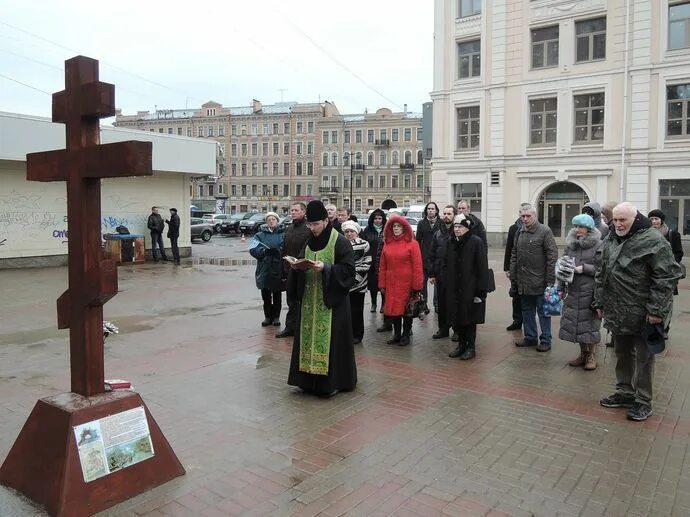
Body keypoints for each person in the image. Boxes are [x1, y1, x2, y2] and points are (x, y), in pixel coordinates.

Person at [594, 203, 682, 421]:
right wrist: (600, 301)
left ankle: (643, 401)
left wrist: (656, 311)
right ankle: (625, 392)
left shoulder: (653, 240)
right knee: (622, 353)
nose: (618, 224)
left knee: (644, 358)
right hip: (618, 311)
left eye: (622, 220)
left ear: (636, 218)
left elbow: (666, 277)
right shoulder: (612, 238)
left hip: (645, 313)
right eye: (615, 220)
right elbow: (602, 271)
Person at [287, 200, 357, 397]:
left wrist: (326, 268)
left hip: (331, 304)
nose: (313, 228)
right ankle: (306, 381)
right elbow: (302, 260)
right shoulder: (309, 241)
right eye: (310, 224)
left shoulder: (340, 241)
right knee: (306, 341)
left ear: (326, 221)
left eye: (316, 224)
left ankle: (332, 383)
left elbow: (349, 271)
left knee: (332, 344)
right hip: (310, 301)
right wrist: (296, 267)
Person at [556, 214, 602, 371]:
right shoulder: (571, 245)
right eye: (575, 226)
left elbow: (603, 270)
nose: (577, 230)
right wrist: (560, 288)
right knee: (577, 325)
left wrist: (584, 269)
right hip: (573, 290)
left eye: (580, 227)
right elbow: (563, 266)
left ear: (589, 229)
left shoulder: (598, 246)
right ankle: (583, 353)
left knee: (590, 325)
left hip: (590, 292)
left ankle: (592, 356)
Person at [510, 204, 558, 351]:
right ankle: (530, 337)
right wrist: (513, 276)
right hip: (523, 281)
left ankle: (545, 340)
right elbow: (514, 254)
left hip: (540, 281)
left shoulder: (545, 231)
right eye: (522, 216)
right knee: (526, 310)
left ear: (534, 215)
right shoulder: (520, 231)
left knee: (543, 312)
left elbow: (552, 256)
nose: (525, 219)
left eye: (528, 216)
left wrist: (549, 280)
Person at [444, 214, 489, 360]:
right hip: (454, 288)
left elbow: (482, 267)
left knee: (469, 319)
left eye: (460, 227)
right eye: (455, 226)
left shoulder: (476, 242)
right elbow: (445, 263)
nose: (456, 229)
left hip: (470, 288)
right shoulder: (451, 242)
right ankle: (461, 345)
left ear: (467, 228)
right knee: (457, 318)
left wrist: (480, 291)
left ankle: (470, 347)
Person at [378, 215, 424, 346]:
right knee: (394, 311)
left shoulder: (413, 244)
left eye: (399, 226)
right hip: (391, 283)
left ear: (404, 228)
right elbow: (383, 265)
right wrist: (382, 283)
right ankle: (397, 334)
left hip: (407, 284)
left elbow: (417, 266)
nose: (396, 228)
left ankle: (406, 335)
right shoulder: (387, 244)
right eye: (394, 226)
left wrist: (417, 286)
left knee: (407, 310)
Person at [276, 202, 311, 338]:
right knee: (291, 300)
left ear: (303, 212)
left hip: (303, 269)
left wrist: (299, 260)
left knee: (302, 299)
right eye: (292, 210)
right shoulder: (289, 228)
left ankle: (302, 327)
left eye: (296, 210)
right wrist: (284, 263)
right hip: (289, 268)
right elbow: (284, 247)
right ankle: (290, 327)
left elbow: (307, 247)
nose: (293, 212)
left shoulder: (308, 228)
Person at [249, 212, 285, 327]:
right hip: (264, 268)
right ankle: (267, 317)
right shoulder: (259, 235)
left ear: (277, 221)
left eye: (273, 219)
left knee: (277, 294)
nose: (271, 221)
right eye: (269, 219)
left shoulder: (283, 234)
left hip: (278, 267)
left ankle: (276, 317)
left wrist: (279, 251)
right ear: (266, 222)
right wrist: (263, 252)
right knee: (265, 294)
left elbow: (287, 247)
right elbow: (253, 249)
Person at [429, 205, 456, 339]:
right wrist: (432, 274)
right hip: (440, 274)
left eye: (449, 214)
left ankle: (457, 330)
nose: (446, 216)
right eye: (444, 213)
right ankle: (443, 329)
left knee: (455, 303)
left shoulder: (458, 231)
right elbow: (432, 254)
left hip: (455, 275)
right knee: (442, 303)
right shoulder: (438, 233)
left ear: (454, 216)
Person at [342, 220, 371, 344]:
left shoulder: (364, 244)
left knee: (357, 311)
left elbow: (366, 263)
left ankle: (357, 335)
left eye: (351, 231)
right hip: (343, 283)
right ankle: (346, 334)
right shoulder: (340, 243)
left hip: (359, 284)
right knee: (345, 312)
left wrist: (354, 279)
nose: (349, 234)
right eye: (347, 231)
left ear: (357, 232)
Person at [503, 205, 531, 331]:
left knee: (528, 298)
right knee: (515, 296)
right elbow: (509, 249)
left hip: (530, 270)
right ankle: (517, 320)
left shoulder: (537, 227)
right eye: (521, 213)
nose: (523, 216)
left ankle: (529, 322)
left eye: (525, 213)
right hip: (516, 269)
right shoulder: (513, 228)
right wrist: (507, 268)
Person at [415, 202, 441, 314]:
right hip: (424, 257)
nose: (430, 211)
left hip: (437, 257)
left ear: (436, 211)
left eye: (432, 209)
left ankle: (437, 304)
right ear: (426, 211)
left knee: (438, 282)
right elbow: (417, 240)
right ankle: (423, 304)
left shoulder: (441, 223)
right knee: (423, 282)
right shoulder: (421, 223)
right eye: (428, 209)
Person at [362, 209, 387, 316]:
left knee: (383, 285)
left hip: (383, 261)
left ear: (383, 219)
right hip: (371, 262)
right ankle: (373, 304)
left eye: (380, 218)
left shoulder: (386, 230)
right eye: (376, 218)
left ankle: (383, 304)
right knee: (372, 285)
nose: (377, 221)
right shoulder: (368, 230)